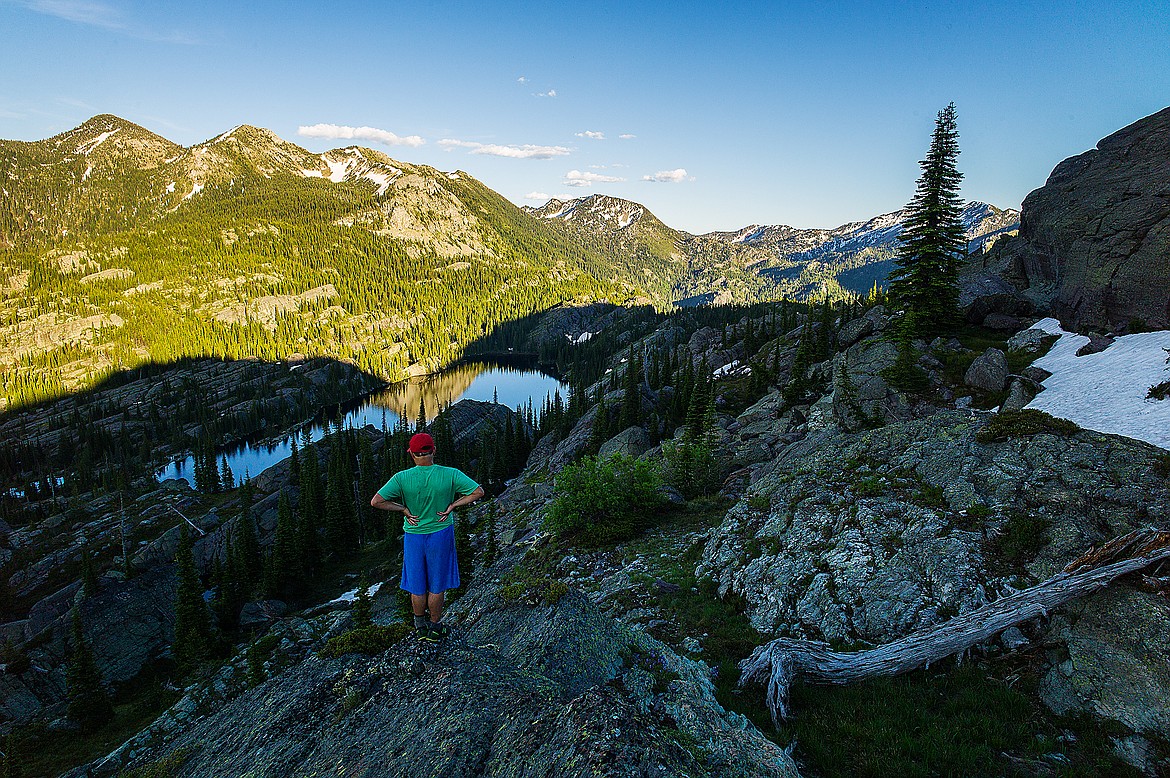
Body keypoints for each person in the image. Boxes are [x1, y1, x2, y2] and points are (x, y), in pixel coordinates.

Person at [370, 432, 483, 642]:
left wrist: (402, 508)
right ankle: (435, 628)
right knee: (437, 585)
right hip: (441, 533)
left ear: (412, 454)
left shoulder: (402, 478)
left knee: (417, 585)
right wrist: (453, 506)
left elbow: (376, 501)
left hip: (414, 536)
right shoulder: (450, 474)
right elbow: (478, 492)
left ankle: (420, 627)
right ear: (434, 451)